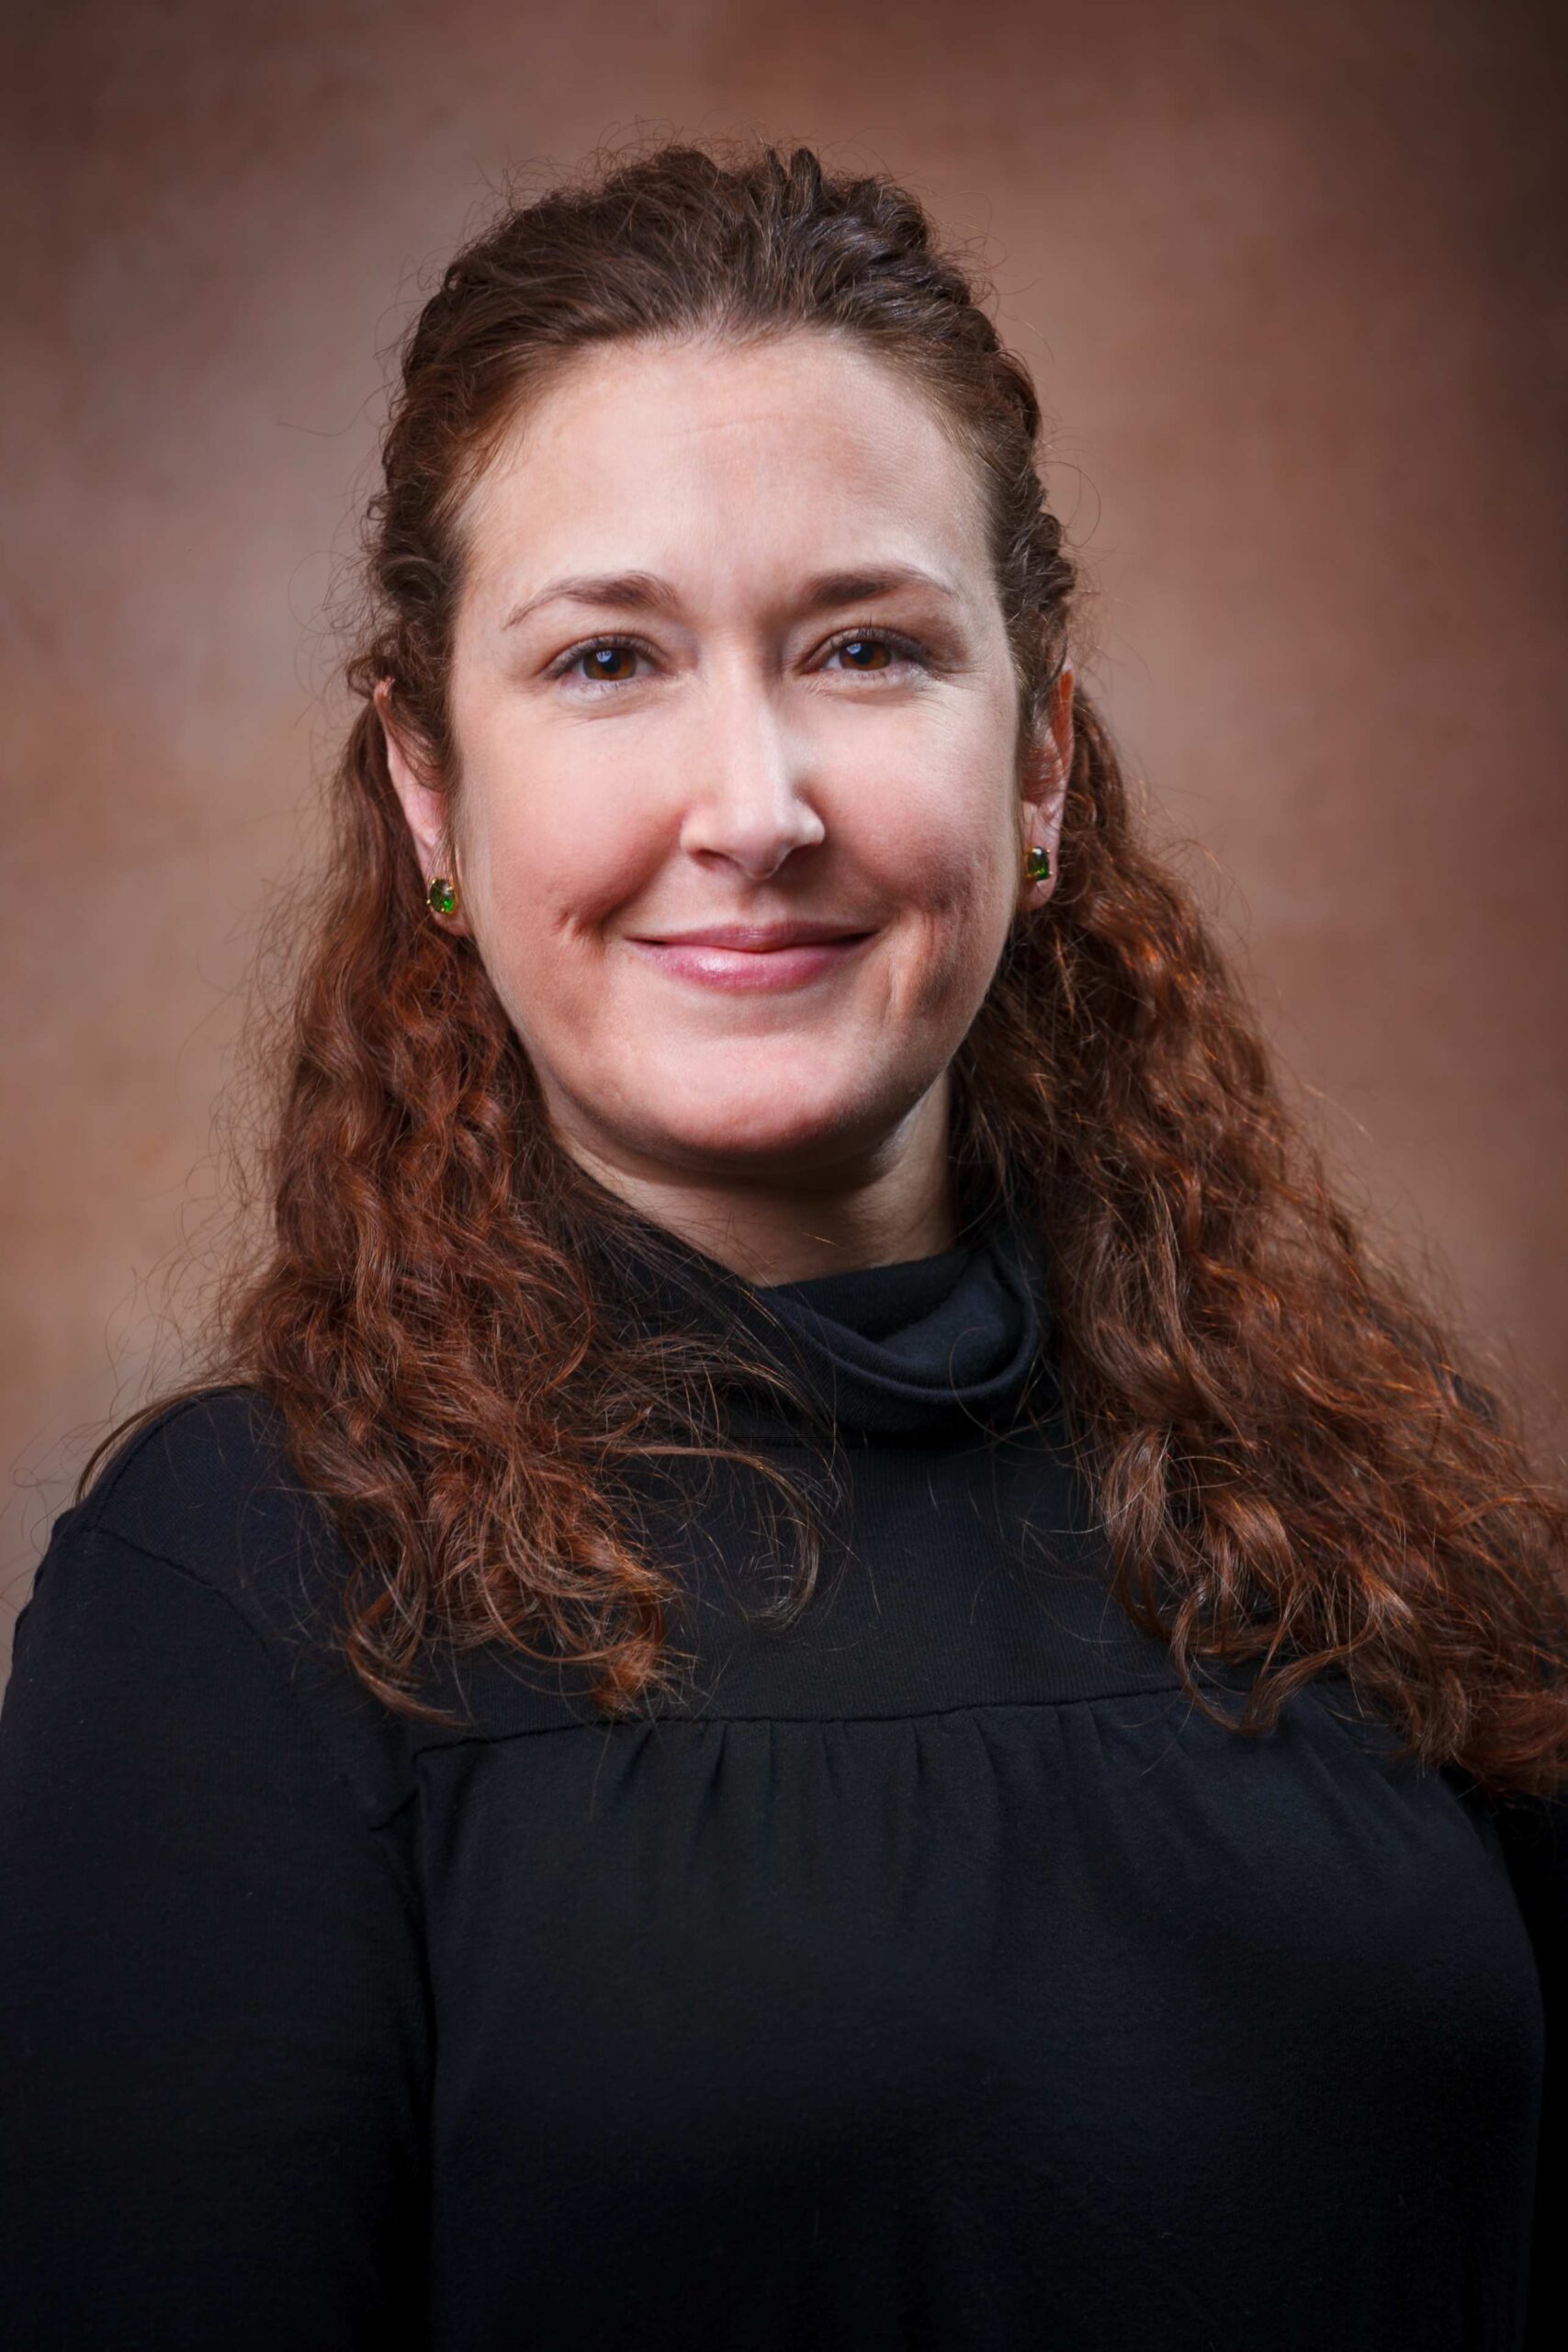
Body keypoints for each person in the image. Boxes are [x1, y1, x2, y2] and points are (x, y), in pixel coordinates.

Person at [2, 139, 1563, 2351]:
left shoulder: (1362, 1507)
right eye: (609, 658)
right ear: (429, 784)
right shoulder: (237, 1602)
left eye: (862, 645)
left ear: (1035, 752)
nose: (752, 805)